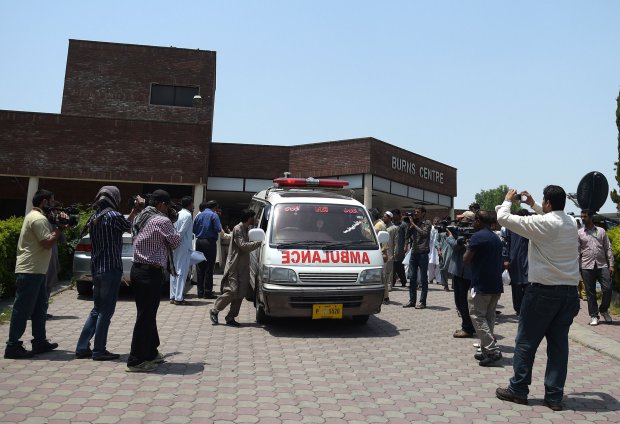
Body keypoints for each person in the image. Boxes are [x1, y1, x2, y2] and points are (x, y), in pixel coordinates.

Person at [495, 186, 580, 412]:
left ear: (548, 203)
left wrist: (508, 200)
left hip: (542, 292)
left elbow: (502, 218)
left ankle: (519, 389)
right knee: (559, 346)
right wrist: (532, 205)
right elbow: (552, 219)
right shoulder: (572, 222)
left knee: (526, 342)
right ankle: (553, 396)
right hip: (569, 293)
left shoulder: (542, 224)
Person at [76, 186, 140, 360]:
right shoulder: (113, 216)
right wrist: (136, 209)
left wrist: (133, 210)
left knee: (97, 309)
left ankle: (82, 347)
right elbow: (130, 227)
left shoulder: (95, 217)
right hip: (110, 268)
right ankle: (99, 350)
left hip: (96, 268)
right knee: (106, 311)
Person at [5, 189, 64, 359]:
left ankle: (40, 341)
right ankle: (12, 346)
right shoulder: (38, 218)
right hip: (30, 270)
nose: (53, 206)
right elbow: (46, 243)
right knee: (22, 310)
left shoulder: (36, 216)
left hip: (37, 270)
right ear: (44, 202)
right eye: (52, 202)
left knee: (39, 308)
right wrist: (59, 228)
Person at [127, 189, 181, 372]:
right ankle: (135, 360)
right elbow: (175, 242)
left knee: (147, 314)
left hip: (138, 270)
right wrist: (174, 225)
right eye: (168, 206)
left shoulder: (141, 216)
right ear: (162, 205)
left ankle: (150, 352)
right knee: (145, 317)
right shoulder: (162, 220)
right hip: (150, 273)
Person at [463, 210, 504, 366]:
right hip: (495, 284)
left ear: (479, 221)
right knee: (489, 317)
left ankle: (492, 350)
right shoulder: (496, 237)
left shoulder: (477, 237)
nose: (473, 223)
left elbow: (466, 259)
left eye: (474, 220)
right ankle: (486, 350)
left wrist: (466, 247)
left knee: (477, 317)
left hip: (481, 285)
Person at [210, 209, 262, 326]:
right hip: (234, 266)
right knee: (232, 291)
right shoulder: (238, 229)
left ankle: (230, 317)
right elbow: (243, 246)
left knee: (240, 294)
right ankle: (215, 310)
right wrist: (258, 243)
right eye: (253, 217)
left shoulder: (247, 229)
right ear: (249, 218)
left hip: (243, 267)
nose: (255, 220)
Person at [579, 209, 615, 325]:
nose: (583, 218)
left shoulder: (601, 231)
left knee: (608, 288)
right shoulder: (580, 233)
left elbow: (608, 248)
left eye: (585, 216)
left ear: (590, 217)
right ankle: (594, 315)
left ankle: (604, 310)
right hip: (586, 266)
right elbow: (577, 251)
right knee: (590, 293)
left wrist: (611, 264)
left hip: (602, 264)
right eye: (582, 217)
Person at [447, 211, 476, 338]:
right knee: (461, 301)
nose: (459, 221)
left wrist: (449, 237)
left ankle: (467, 328)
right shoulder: (463, 231)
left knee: (461, 301)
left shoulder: (470, 233)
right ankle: (469, 325)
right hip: (460, 270)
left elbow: (456, 246)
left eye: (462, 219)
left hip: (463, 271)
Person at [503, 209, 530, 315]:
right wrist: (505, 258)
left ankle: (526, 308)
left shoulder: (531, 228)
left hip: (529, 261)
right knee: (516, 287)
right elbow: (506, 243)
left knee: (528, 286)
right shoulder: (511, 228)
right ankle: (518, 309)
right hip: (515, 261)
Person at [403, 207, 431, 309]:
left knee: (423, 279)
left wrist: (414, 225)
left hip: (423, 253)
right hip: (414, 253)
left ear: (423, 213)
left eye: (418, 212)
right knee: (412, 278)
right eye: (415, 212)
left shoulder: (427, 222)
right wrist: (410, 225)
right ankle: (412, 301)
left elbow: (424, 234)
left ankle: (422, 302)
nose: (416, 214)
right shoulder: (413, 222)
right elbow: (407, 236)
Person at [193, 200, 222, 299]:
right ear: (215, 207)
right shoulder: (214, 215)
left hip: (199, 241)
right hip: (209, 242)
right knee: (209, 267)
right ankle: (207, 292)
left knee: (200, 267)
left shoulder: (199, 215)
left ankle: (200, 292)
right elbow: (218, 229)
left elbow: (194, 229)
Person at [169, 196, 194, 305]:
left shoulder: (178, 213)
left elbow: (175, 229)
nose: (193, 205)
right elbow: (182, 231)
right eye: (192, 203)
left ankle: (173, 296)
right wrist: (177, 242)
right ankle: (178, 298)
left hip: (176, 244)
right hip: (183, 245)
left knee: (174, 270)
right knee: (182, 271)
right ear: (189, 204)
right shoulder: (188, 215)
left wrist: (173, 243)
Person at [391, 209, 409, 288]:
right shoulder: (392, 224)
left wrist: (405, 246)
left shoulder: (403, 225)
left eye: (395, 214)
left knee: (399, 265)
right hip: (392, 247)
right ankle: (393, 281)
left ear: (399, 215)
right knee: (393, 265)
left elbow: (406, 236)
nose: (393, 216)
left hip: (400, 247)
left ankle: (403, 281)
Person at [428, 217, 442, 286]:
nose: (436, 223)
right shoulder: (431, 229)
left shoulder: (441, 229)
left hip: (438, 249)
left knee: (438, 264)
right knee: (430, 264)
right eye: (435, 221)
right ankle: (430, 279)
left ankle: (438, 280)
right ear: (433, 222)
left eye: (437, 221)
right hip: (431, 249)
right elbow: (429, 238)